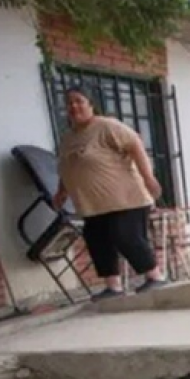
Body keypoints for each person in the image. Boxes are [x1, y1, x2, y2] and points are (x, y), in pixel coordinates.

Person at [53, 86, 166, 301]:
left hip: (125, 199)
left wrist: (148, 178)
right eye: (69, 103)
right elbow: (67, 167)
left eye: (79, 101)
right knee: (97, 241)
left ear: (90, 104)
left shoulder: (107, 126)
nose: (74, 106)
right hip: (92, 204)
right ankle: (113, 287)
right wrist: (61, 191)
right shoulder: (68, 138)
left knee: (126, 237)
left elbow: (135, 145)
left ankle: (155, 277)